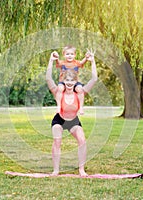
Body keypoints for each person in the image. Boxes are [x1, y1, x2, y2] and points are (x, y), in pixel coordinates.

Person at [46, 48, 97, 176]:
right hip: (60, 119)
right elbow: (48, 79)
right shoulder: (59, 92)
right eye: (67, 81)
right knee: (57, 141)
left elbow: (94, 79)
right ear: (64, 81)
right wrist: (51, 61)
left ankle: (81, 169)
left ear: (75, 82)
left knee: (82, 141)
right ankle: (56, 170)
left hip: (73, 121)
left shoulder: (80, 92)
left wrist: (92, 61)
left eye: (72, 81)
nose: (69, 83)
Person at [52, 45, 90, 115]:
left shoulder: (76, 63)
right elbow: (57, 63)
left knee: (80, 89)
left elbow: (82, 63)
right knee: (60, 89)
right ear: (64, 55)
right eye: (67, 54)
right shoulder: (62, 63)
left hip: (74, 82)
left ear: (75, 55)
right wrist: (56, 58)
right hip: (63, 82)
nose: (70, 56)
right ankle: (59, 106)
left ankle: (81, 107)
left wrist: (86, 58)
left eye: (72, 54)